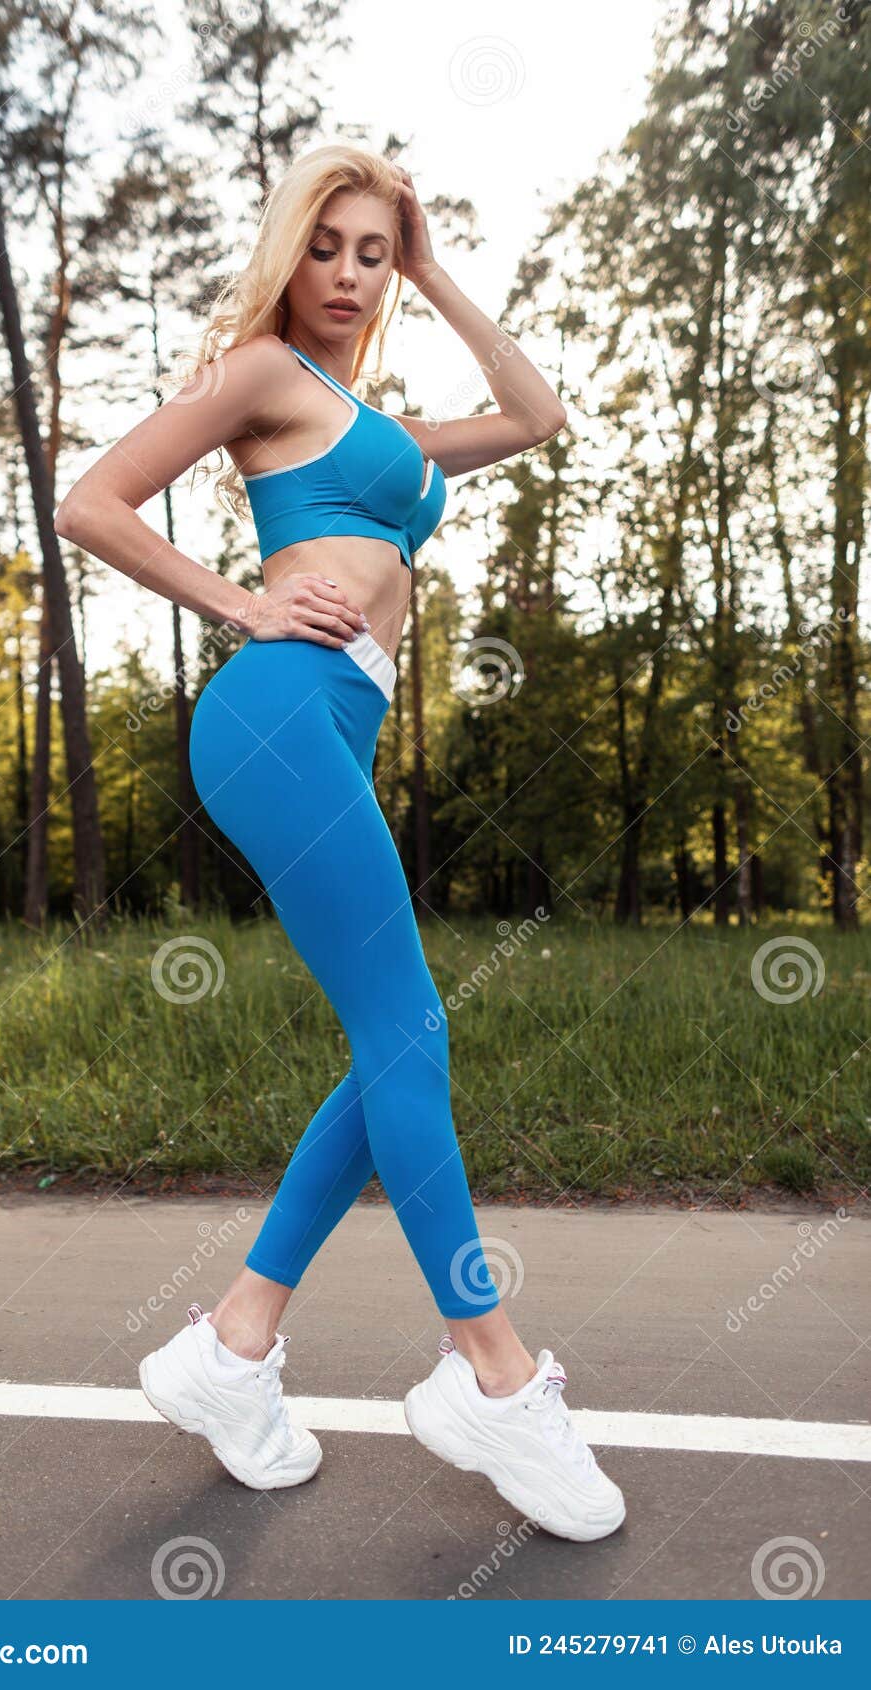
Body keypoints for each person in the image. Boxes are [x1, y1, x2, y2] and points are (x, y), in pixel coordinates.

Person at [54, 144, 624, 1543]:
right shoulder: (260, 374)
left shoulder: (366, 413)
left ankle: (231, 1349)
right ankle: (489, 1366)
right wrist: (237, 603)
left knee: (395, 1044)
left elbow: (536, 413)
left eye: (374, 252)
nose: (350, 275)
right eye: (332, 247)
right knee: (413, 1030)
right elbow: (91, 501)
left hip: (329, 727)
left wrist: (437, 268)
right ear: (288, 253)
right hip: (274, 714)